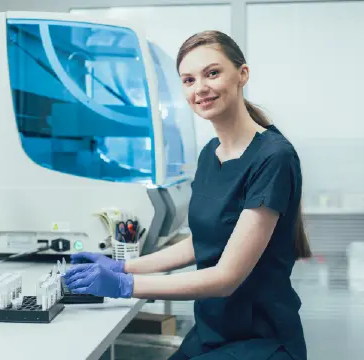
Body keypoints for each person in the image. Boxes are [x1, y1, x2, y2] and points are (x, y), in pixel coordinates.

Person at [63, 30, 312, 360]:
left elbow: (226, 278)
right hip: (213, 331)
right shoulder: (211, 153)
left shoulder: (273, 157)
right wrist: (123, 267)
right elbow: (205, 241)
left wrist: (125, 286)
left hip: (260, 340)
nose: (201, 88)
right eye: (189, 80)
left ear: (242, 74)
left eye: (212, 73)